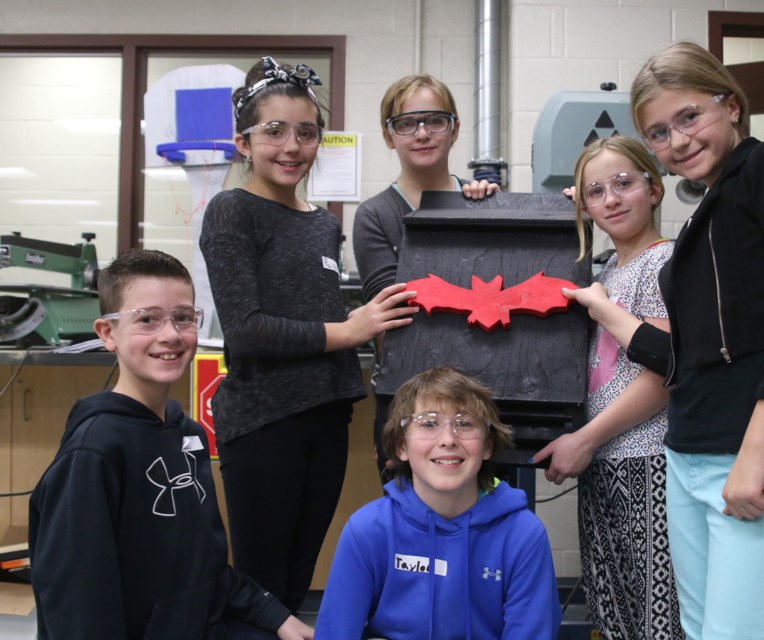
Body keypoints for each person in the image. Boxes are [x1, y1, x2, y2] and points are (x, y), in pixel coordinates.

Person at [563, 42, 764, 640]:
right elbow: (682, 352)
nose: (678, 140)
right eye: (659, 132)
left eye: (689, 117)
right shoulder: (704, 214)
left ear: (732, 105)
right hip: (688, 450)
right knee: (695, 629)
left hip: (750, 452)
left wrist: (755, 453)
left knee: (733, 632)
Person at [199, 56, 418, 613]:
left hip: (326, 413)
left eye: (306, 132)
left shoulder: (322, 222)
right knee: (261, 585)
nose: (291, 146)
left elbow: (309, 309)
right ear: (243, 142)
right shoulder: (231, 211)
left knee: (297, 579)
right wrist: (350, 331)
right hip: (264, 419)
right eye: (273, 132)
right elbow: (246, 331)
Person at [28, 249, 314, 639]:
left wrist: (275, 615)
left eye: (183, 318)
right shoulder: (94, 452)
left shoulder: (188, 434)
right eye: (147, 319)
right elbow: (77, 605)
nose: (170, 335)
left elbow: (206, 568)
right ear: (107, 333)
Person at [529, 136, 682, 639]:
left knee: (656, 613)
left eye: (624, 184)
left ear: (654, 189)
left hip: (649, 463)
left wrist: (586, 439)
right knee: (614, 608)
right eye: (596, 191)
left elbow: (661, 376)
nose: (611, 199)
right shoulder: (609, 271)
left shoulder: (665, 263)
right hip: (608, 462)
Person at [315, 367, 561, 639]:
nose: (448, 440)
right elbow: (335, 632)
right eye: (429, 423)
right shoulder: (367, 530)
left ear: (487, 446)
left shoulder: (524, 535)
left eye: (464, 423)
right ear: (401, 447)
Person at [352, 74, 498, 478]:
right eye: (406, 123)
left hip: (484, 399)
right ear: (389, 135)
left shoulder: (488, 203)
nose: (421, 133)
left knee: (489, 531)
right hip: (408, 403)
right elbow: (393, 323)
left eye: (434, 120)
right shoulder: (375, 216)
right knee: (414, 533)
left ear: (454, 129)